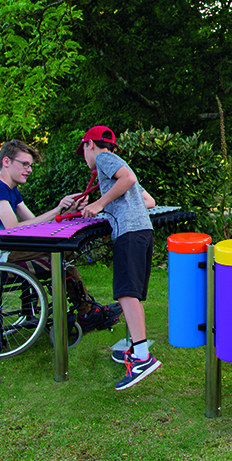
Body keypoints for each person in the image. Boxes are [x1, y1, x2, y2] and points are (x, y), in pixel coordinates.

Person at [0, 140, 121, 332]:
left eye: (30, 166)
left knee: (62, 253)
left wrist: (68, 209)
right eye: (25, 164)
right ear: (7, 162)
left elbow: (36, 223)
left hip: (5, 250)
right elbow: (12, 228)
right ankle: (85, 313)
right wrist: (58, 209)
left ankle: (84, 310)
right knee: (62, 253)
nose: (29, 170)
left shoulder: (11, 191)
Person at [77, 125, 160, 391]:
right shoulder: (118, 162)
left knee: (126, 293)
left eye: (84, 151)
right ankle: (138, 352)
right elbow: (149, 200)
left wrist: (100, 204)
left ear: (90, 144)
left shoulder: (103, 158)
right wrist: (108, 205)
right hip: (143, 230)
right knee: (131, 294)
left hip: (130, 232)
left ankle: (143, 359)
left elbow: (128, 180)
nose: (86, 158)